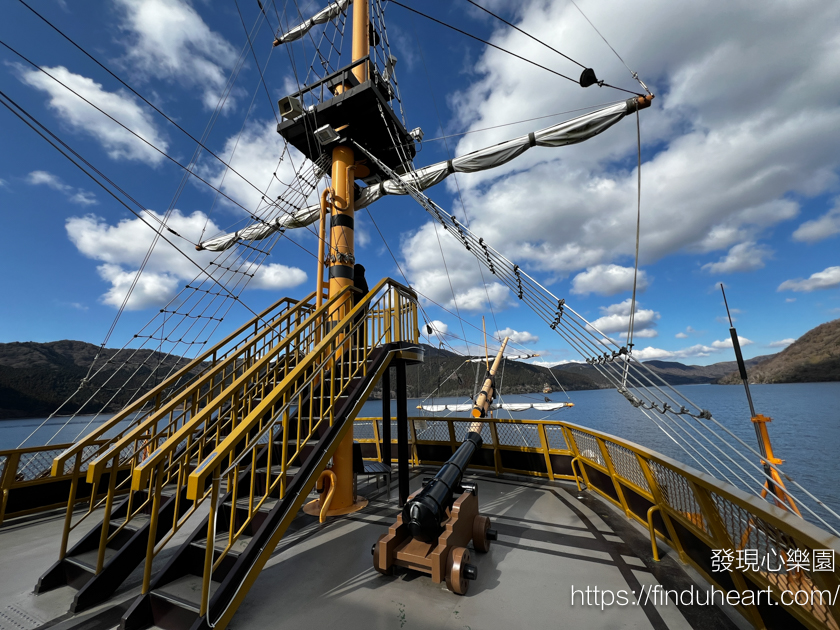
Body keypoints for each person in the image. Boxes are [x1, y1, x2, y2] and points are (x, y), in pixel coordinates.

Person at [353, 264, 369, 350]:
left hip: (352, 310)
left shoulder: (353, 280)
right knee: (361, 329)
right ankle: (360, 345)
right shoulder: (363, 281)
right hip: (362, 310)